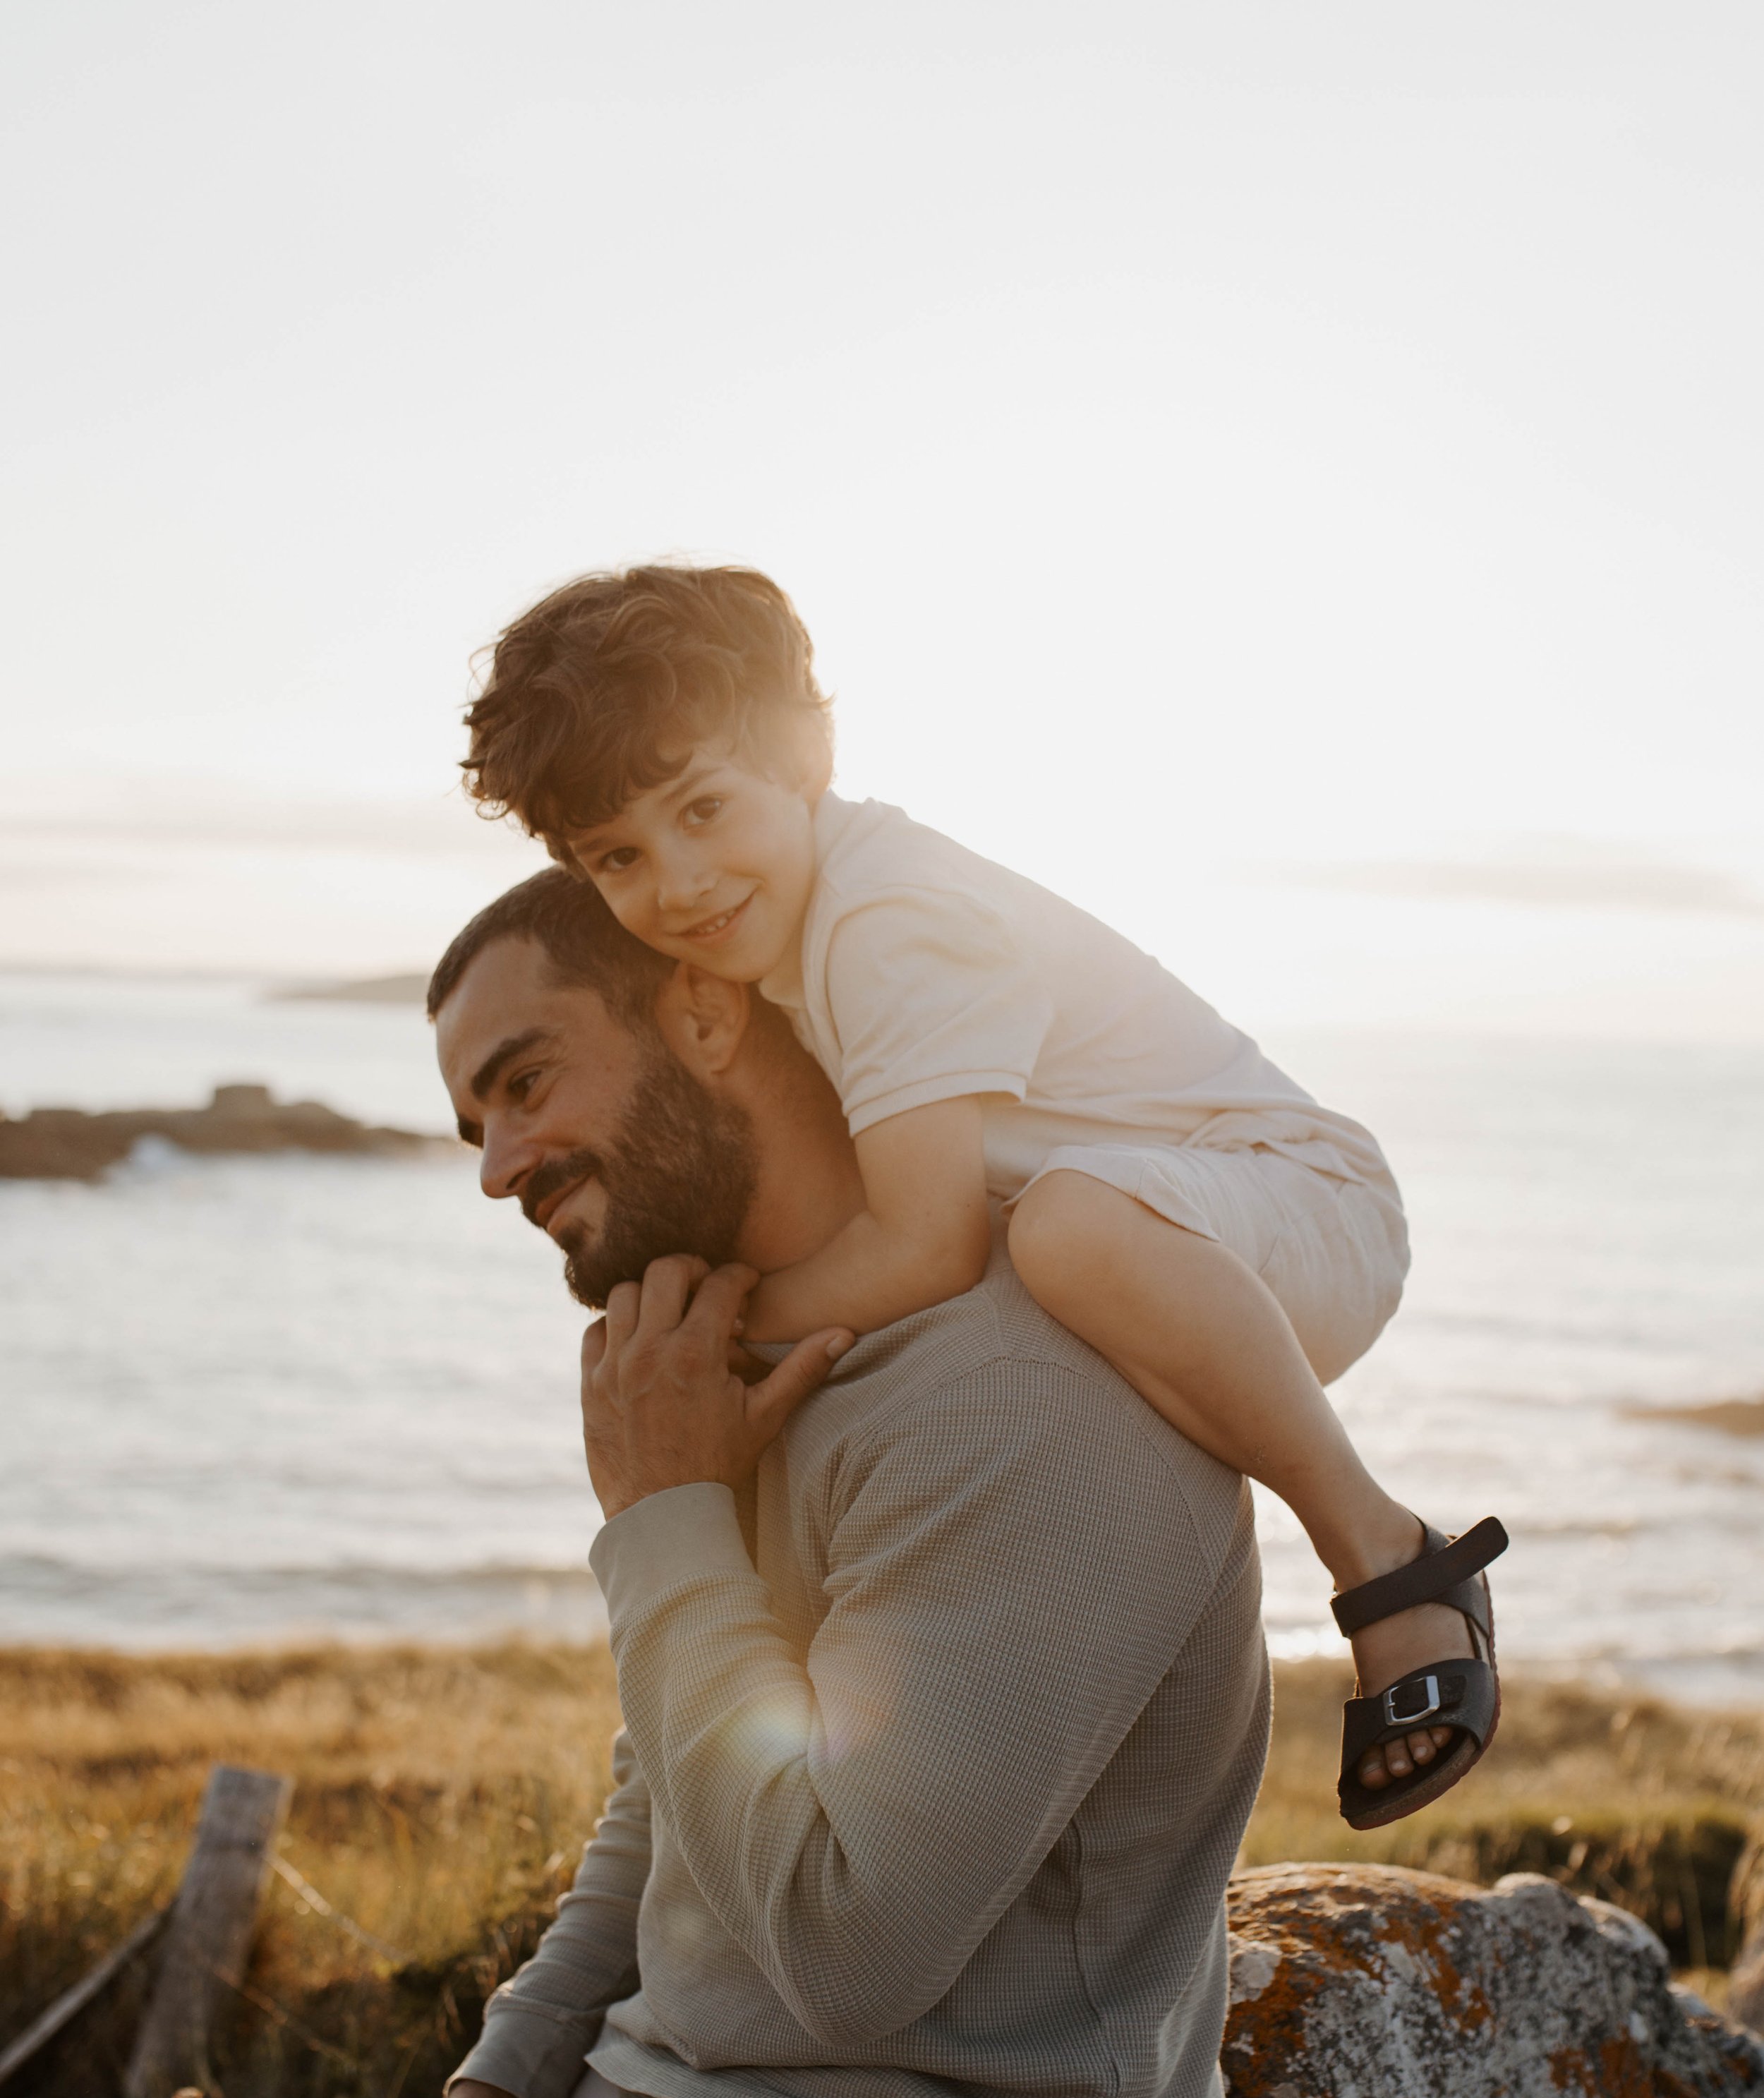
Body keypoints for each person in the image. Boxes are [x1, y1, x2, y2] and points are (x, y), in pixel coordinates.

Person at [79, 871, 1271, 2098]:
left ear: (709, 1011)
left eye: (524, 1077)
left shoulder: (1027, 1392)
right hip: (675, 2093)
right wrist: (508, 2080)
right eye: (472, 1117)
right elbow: (686, 1781)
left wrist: (660, 1520)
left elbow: (854, 1950)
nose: (495, 1164)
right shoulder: (770, 1328)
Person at [462, 565, 1506, 1828]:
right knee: (1044, 1266)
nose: (677, 884)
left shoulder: (883, 919)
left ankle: (1394, 1564)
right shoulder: (793, 927)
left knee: (1055, 1232)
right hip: (1180, 1230)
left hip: (1299, 1202)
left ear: (806, 754)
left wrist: (719, 1335)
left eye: (702, 808)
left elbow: (927, 1242)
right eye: (619, 856)